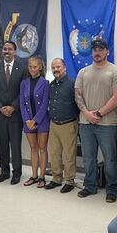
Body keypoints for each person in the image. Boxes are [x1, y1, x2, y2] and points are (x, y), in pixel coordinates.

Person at [75, 39, 117, 203]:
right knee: (88, 158)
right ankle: (90, 186)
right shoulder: (83, 72)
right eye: (95, 49)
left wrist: (98, 113)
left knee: (110, 158)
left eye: (101, 49)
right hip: (85, 122)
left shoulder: (115, 72)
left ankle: (111, 189)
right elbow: (78, 95)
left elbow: (116, 97)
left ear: (107, 51)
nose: (97, 52)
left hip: (107, 124)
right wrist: (86, 113)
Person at [0, 41, 28, 185]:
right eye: (4, 49)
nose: (7, 51)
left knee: (16, 146)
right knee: (2, 145)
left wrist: (13, 107)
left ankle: (17, 173)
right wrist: (0, 107)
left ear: (15, 52)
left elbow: (24, 91)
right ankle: (5, 172)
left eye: (10, 49)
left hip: (15, 114)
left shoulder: (22, 68)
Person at [45, 58, 79, 193]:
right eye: (53, 67)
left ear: (64, 67)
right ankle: (56, 178)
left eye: (58, 67)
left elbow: (79, 102)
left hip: (68, 124)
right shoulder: (51, 85)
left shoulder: (72, 83)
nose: (55, 69)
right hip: (53, 124)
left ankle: (70, 180)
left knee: (69, 155)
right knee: (54, 153)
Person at [20, 55, 50, 188]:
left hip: (42, 121)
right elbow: (22, 103)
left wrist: (35, 120)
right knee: (33, 148)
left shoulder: (45, 83)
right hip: (27, 121)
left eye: (35, 67)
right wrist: (27, 120)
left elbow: (44, 104)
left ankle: (42, 177)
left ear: (40, 67)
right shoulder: (24, 83)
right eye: (30, 67)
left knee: (42, 148)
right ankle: (34, 176)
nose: (32, 69)